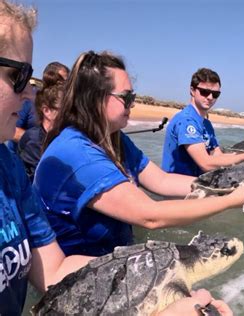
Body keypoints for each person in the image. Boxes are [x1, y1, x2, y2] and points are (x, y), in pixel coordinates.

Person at [34, 51, 244, 258]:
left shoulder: (112, 138)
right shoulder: (77, 154)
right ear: (94, 98)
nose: (132, 104)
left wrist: (228, 187)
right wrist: (231, 200)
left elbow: (161, 180)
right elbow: (150, 215)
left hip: (111, 263)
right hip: (78, 282)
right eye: (127, 98)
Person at [0, 1, 94, 314]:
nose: (29, 94)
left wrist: (157, 270)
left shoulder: (8, 163)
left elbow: (53, 270)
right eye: (19, 75)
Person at [161, 68, 244, 176]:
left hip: (198, 182)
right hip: (177, 186)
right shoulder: (186, 121)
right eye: (205, 92)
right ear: (192, 90)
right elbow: (205, 164)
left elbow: (218, 156)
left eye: (215, 94)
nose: (210, 97)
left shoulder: (206, 124)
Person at [18, 62, 69, 181]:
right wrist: (37, 139)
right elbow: (11, 130)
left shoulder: (66, 103)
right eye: (63, 81)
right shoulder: (29, 101)